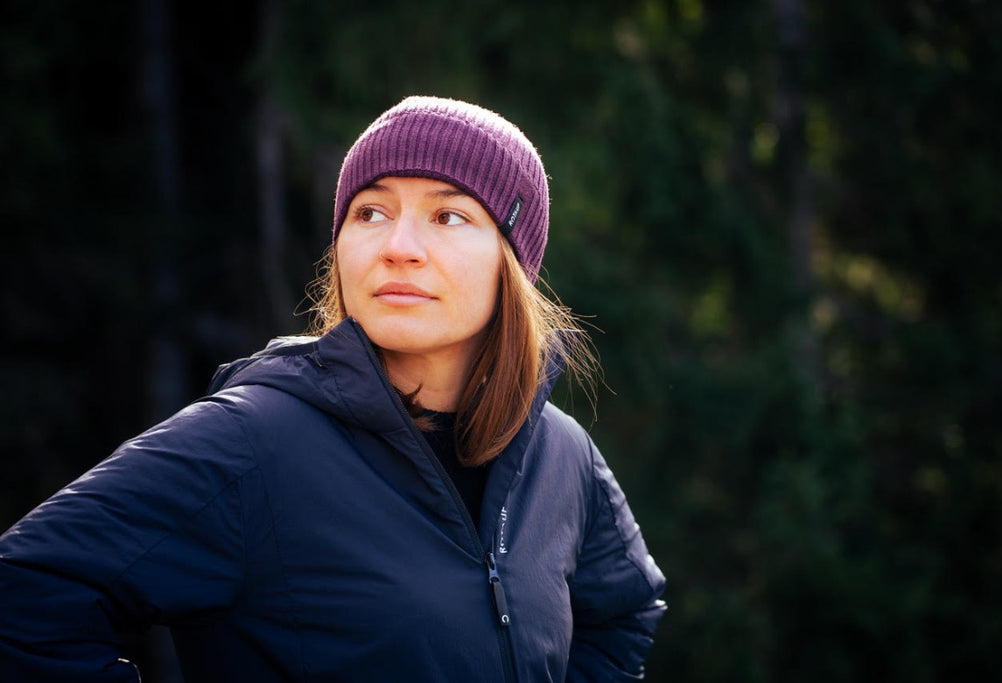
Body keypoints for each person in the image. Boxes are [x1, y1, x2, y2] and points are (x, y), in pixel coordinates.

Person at [0, 96, 666, 681]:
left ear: (511, 262)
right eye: (371, 211)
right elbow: (24, 592)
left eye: (449, 216)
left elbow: (625, 609)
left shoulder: (558, 453)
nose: (398, 245)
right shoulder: (253, 439)